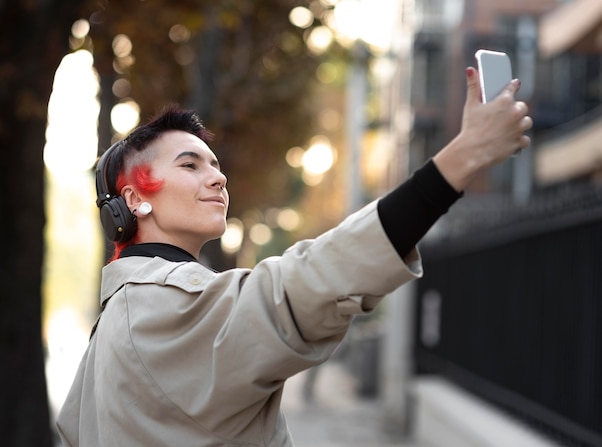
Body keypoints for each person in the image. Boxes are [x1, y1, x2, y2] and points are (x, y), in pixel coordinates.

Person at [56, 67, 532, 446]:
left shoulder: (117, 316)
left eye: (216, 166)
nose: (218, 178)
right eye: (189, 165)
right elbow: (307, 283)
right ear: (135, 199)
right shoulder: (167, 306)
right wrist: (463, 157)